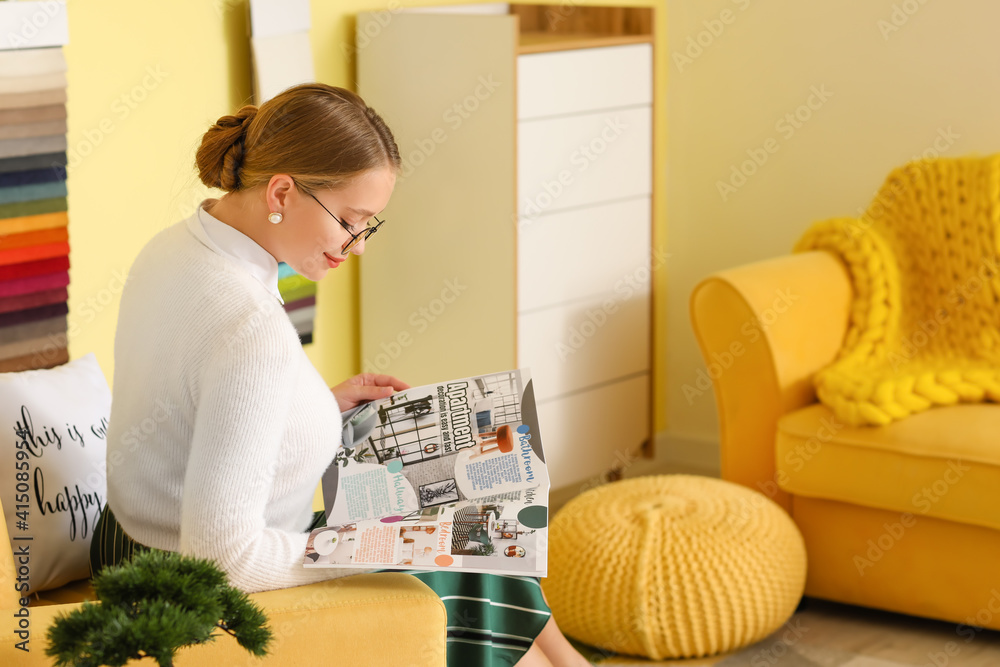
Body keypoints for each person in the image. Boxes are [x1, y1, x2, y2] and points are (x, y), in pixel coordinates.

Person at [91, 83, 588, 667]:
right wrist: (387, 548)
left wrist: (312, 405)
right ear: (282, 191)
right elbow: (222, 558)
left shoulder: (176, 248)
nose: (355, 245)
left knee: (475, 538)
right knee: (458, 548)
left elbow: (199, 400)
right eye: (351, 220)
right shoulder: (248, 326)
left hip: (127, 540)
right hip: (186, 577)